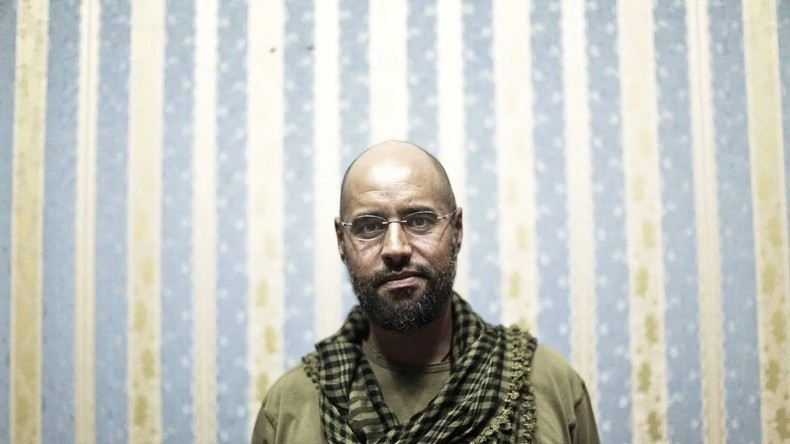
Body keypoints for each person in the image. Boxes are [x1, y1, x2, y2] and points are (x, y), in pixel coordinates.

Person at [252, 141, 600, 443]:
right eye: (369, 226)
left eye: (419, 221)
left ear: (457, 230)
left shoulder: (550, 387)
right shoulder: (288, 407)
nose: (396, 248)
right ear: (342, 242)